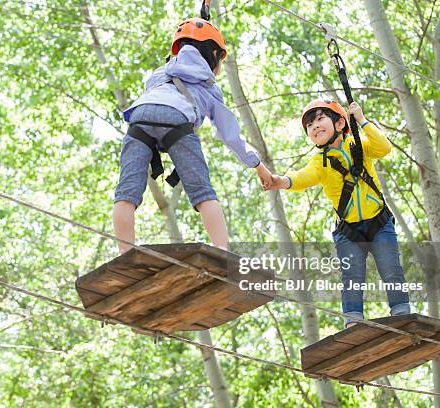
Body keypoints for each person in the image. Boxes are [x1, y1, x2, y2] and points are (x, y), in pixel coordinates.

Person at [113, 18, 273, 253]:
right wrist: (258, 166)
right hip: (177, 120)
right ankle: (222, 249)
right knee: (202, 192)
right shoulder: (209, 87)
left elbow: (156, 100)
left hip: (140, 117)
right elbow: (231, 135)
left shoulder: (160, 74)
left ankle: (124, 254)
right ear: (215, 54)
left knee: (126, 193)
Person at [266, 100, 411, 328]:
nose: (315, 126)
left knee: (391, 268)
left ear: (340, 122)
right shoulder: (320, 163)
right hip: (349, 231)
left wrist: (362, 121)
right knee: (352, 278)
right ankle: (353, 320)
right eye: (310, 125)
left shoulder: (359, 145)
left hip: (379, 223)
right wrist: (283, 181)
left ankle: (401, 312)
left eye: (320, 119)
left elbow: (384, 147)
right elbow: (303, 177)